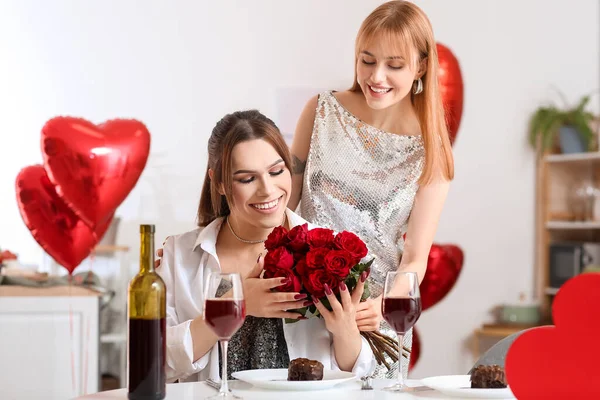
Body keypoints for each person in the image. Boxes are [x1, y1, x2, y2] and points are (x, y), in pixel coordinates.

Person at [288, 0, 454, 379]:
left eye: (394, 65)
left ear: (422, 66)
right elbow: (285, 205)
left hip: (374, 317)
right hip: (303, 301)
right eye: (367, 61)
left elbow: (414, 258)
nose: (377, 76)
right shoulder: (320, 111)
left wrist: (384, 305)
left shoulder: (431, 150)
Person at [157, 110, 375, 383]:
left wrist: (344, 329)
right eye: (247, 179)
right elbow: (157, 363)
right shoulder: (180, 256)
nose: (268, 190)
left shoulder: (327, 250)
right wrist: (236, 305)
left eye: (276, 171)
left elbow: (358, 373)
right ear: (220, 182)